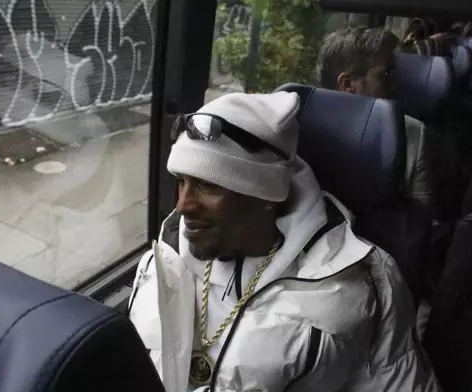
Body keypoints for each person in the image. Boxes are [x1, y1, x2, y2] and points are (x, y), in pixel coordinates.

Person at [127, 91, 440, 391]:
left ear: (266, 195)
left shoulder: (366, 282)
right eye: (181, 181)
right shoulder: (165, 259)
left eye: (208, 186)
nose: (183, 206)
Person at [316, 27, 433, 208]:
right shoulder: (300, 129)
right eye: (385, 75)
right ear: (348, 84)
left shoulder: (411, 134)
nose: (393, 85)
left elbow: (424, 222)